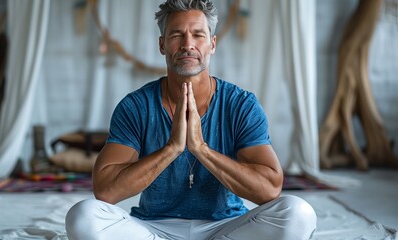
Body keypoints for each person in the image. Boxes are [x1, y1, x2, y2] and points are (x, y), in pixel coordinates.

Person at [65, 0, 317, 239]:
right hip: (153, 228)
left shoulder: (241, 104)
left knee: (298, 213)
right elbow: (105, 190)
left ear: (212, 44)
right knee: (83, 216)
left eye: (198, 34)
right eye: (177, 35)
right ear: (162, 45)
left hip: (225, 228)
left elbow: (269, 189)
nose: (188, 44)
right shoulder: (135, 106)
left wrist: (201, 149)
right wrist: (172, 148)